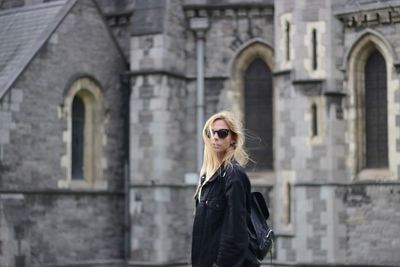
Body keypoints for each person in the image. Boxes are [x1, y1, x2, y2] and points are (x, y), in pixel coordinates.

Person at [191, 111, 259, 267]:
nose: (215, 137)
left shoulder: (233, 174)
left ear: (233, 138)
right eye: (211, 133)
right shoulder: (208, 178)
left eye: (222, 133)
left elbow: (236, 233)